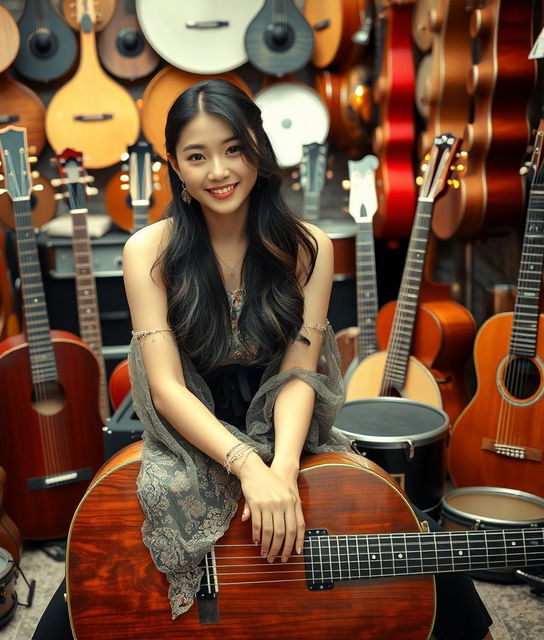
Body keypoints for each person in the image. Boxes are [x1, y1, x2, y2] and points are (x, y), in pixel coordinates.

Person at [32, 79, 492, 639]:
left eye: (233, 149)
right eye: (196, 156)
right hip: (191, 428)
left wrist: (282, 470)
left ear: (258, 147)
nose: (219, 171)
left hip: (284, 422)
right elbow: (167, 388)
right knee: (94, 577)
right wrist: (247, 466)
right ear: (175, 166)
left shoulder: (308, 247)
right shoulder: (147, 251)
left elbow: (300, 372)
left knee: (409, 536)